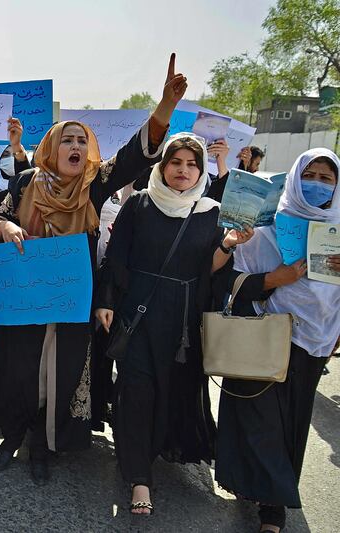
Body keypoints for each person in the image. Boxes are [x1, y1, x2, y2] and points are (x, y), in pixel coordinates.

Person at [0, 54, 188, 486]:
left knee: (60, 372)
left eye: (81, 140)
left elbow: (132, 157)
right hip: (25, 297)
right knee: (22, 369)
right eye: (67, 139)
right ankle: (13, 432)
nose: (75, 146)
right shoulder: (24, 183)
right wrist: (6, 225)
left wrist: (164, 107)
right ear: (52, 148)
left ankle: (42, 444)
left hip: (72, 302)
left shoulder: (95, 187)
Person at [94, 133, 254, 515]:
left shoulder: (213, 212)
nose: (183, 171)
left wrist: (228, 245)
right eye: (175, 163)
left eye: (191, 164)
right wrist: (106, 301)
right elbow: (117, 257)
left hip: (184, 320)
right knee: (135, 392)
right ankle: (138, 478)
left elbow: (209, 271)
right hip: (138, 313)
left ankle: (153, 450)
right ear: (162, 166)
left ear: (200, 170)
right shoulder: (139, 203)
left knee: (169, 391)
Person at [214, 148, 340, 533]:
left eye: (326, 178)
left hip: (315, 339)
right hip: (263, 331)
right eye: (310, 174)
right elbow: (227, 282)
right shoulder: (264, 226)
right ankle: (260, 494)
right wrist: (273, 280)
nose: (316, 184)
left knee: (290, 422)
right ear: (295, 176)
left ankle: (273, 503)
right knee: (257, 416)